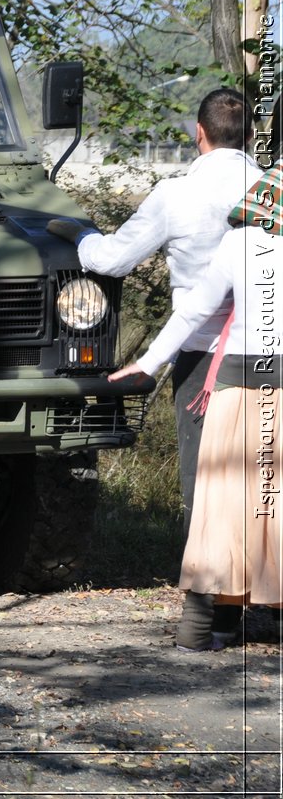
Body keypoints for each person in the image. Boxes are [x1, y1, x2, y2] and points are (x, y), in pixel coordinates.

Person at [48, 89, 256, 543]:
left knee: (203, 481)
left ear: (199, 133)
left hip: (203, 357)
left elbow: (111, 261)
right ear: (251, 136)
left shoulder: (175, 194)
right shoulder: (271, 196)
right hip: (267, 354)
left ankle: (206, 591)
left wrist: (82, 236)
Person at [108, 162, 283, 651]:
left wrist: (148, 362)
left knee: (223, 507)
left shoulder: (240, 242)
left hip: (233, 384)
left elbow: (194, 310)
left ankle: (202, 626)